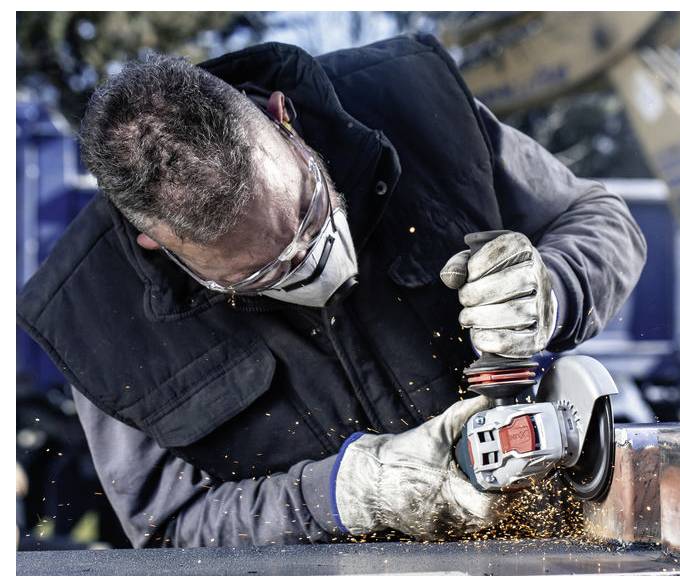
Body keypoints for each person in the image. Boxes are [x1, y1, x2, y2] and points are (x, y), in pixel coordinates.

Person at [17, 33, 646, 548]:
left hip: (556, 535)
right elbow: (172, 528)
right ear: (155, 241)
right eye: (263, 274)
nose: (313, 263)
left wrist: (555, 287)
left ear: (280, 118)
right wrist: (346, 494)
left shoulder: (410, 102)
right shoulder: (96, 322)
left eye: (310, 213)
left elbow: (600, 219)